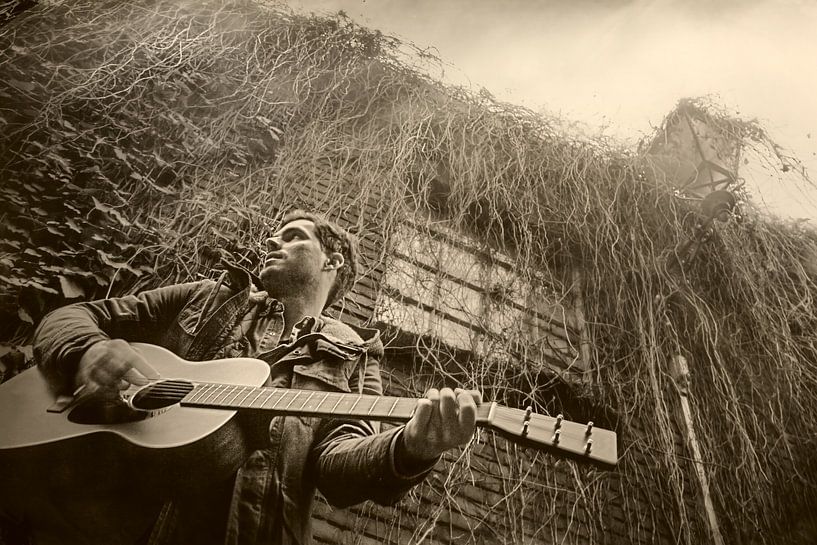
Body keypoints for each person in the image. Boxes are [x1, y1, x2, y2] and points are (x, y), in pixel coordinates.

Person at [26, 209, 480, 545]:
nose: (270, 241)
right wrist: (89, 349)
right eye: (271, 235)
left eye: (292, 237)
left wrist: (412, 447)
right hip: (109, 523)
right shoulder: (207, 299)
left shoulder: (355, 355)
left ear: (332, 261)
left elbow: (338, 469)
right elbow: (76, 315)